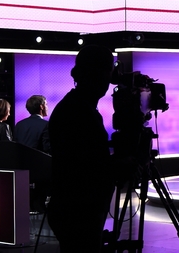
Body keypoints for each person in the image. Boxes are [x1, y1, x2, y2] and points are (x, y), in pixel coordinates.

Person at [47, 45, 115, 253]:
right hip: (78, 211)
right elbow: (87, 167)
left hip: (73, 210)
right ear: (96, 73)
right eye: (107, 71)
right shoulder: (78, 112)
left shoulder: (75, 106)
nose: (110, 79)